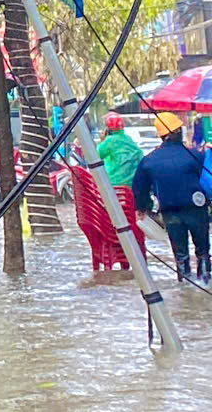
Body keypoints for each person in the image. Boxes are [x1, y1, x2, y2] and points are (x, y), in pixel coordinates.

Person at [131, 111, 209, 285]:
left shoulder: (149, 161)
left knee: (180, 254)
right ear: (178, 132)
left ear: (161, 135)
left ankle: (185, 287)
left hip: (170, 212)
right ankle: (205, 283)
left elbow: (139, 188)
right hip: (196, 209)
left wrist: (142, 208)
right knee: (202, 250)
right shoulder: (195, 155)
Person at [76, 115, 146, 273]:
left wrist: (102, 141)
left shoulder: (108, 142)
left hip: (113, 192)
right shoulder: (130, 141)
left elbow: (94, 156)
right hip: (131, 193)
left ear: (107, 129)